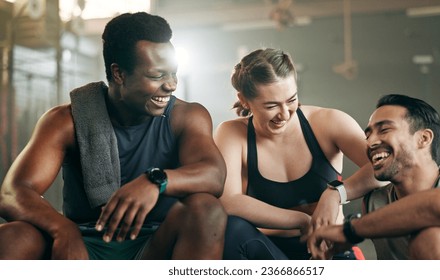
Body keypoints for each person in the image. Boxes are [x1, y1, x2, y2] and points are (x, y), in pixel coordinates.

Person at [0, 12, 228, 260]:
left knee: (207, 209)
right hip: (85, 243)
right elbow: (13, 192)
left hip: (154, 243)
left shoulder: (187, 115)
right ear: (118, 74)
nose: (171, 85)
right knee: (14, 236)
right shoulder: (65, 121)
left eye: (173, 73)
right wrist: (63, 229)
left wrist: (155, 181)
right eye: (156, 75)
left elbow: (213, 175)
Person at [215, 48, 382, 259]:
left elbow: (384, 169)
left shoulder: (329, 121)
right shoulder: (231, 133)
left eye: (291, 100)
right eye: (271, 105)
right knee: (231, 228)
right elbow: (229, 201)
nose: (284, 114)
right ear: (245, 100)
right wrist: (302, 220)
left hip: (329, 250)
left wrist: (335, 193)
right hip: (269, 252)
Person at [307, 94, 440, 260]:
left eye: (385, 130)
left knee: (431, 240)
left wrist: (350, 231)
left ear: (424, 138)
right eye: (368, 134)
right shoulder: (375, 203)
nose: (370, 142)